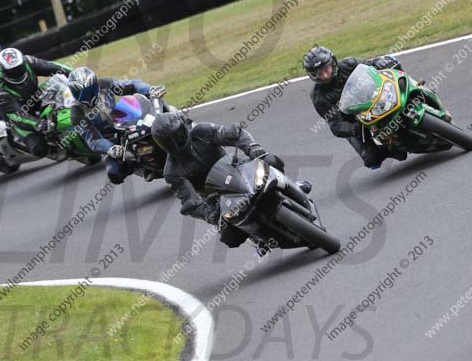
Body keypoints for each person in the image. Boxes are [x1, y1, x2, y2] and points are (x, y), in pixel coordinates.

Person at [151, 112, 307, 253]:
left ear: (184, 127)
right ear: (162, 146)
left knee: (269, 160)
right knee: (230, 237)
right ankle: (255, 237)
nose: (177, 143)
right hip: (217, 199)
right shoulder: (172, 172)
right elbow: (189, 201)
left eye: (178, 135)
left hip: (238, 170)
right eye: (170, 142)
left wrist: (251, 147)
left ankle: (291, 185)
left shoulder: (201, 132)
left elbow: (233, 134)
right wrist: (207, 214)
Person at [303, 45, 408, 168]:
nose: (325, 75)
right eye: (319, 73)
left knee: (393, 66)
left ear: (333, 63)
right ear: (312, 75)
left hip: (375, 97)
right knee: (371, 159)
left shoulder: (349, 64)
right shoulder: (319, 97)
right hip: (356, 120)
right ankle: (390, 147)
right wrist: (354, 128)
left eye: (326, 69)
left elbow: (369, 64)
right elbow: (336, 124)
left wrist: (379, 62)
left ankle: (417, 90)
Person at [66, 66, 167, 184]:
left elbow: (131, 85)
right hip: (112, 140)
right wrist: (109, 148)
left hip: (123, 120)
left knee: (148, 98)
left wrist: (150, 89)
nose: (86, 95)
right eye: (80, 93)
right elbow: (93, 139)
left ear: (94, 84)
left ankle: (172, 120)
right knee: (114, 173)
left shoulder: (104, 84)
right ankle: (141, 168)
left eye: (88, 90)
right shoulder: (76, 113)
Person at [0, 47, 73, 157]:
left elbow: (54, 67)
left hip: (35, 96)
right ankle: (56, 147)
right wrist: (38, 123)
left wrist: (74, 73)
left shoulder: (28, 62)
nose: (17, 71)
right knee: (39, 149)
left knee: (58, 86)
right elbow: (18, 116)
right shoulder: (0, 92)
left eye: (19, 67)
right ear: (4, 71)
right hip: (19, 118)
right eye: (12, 70)